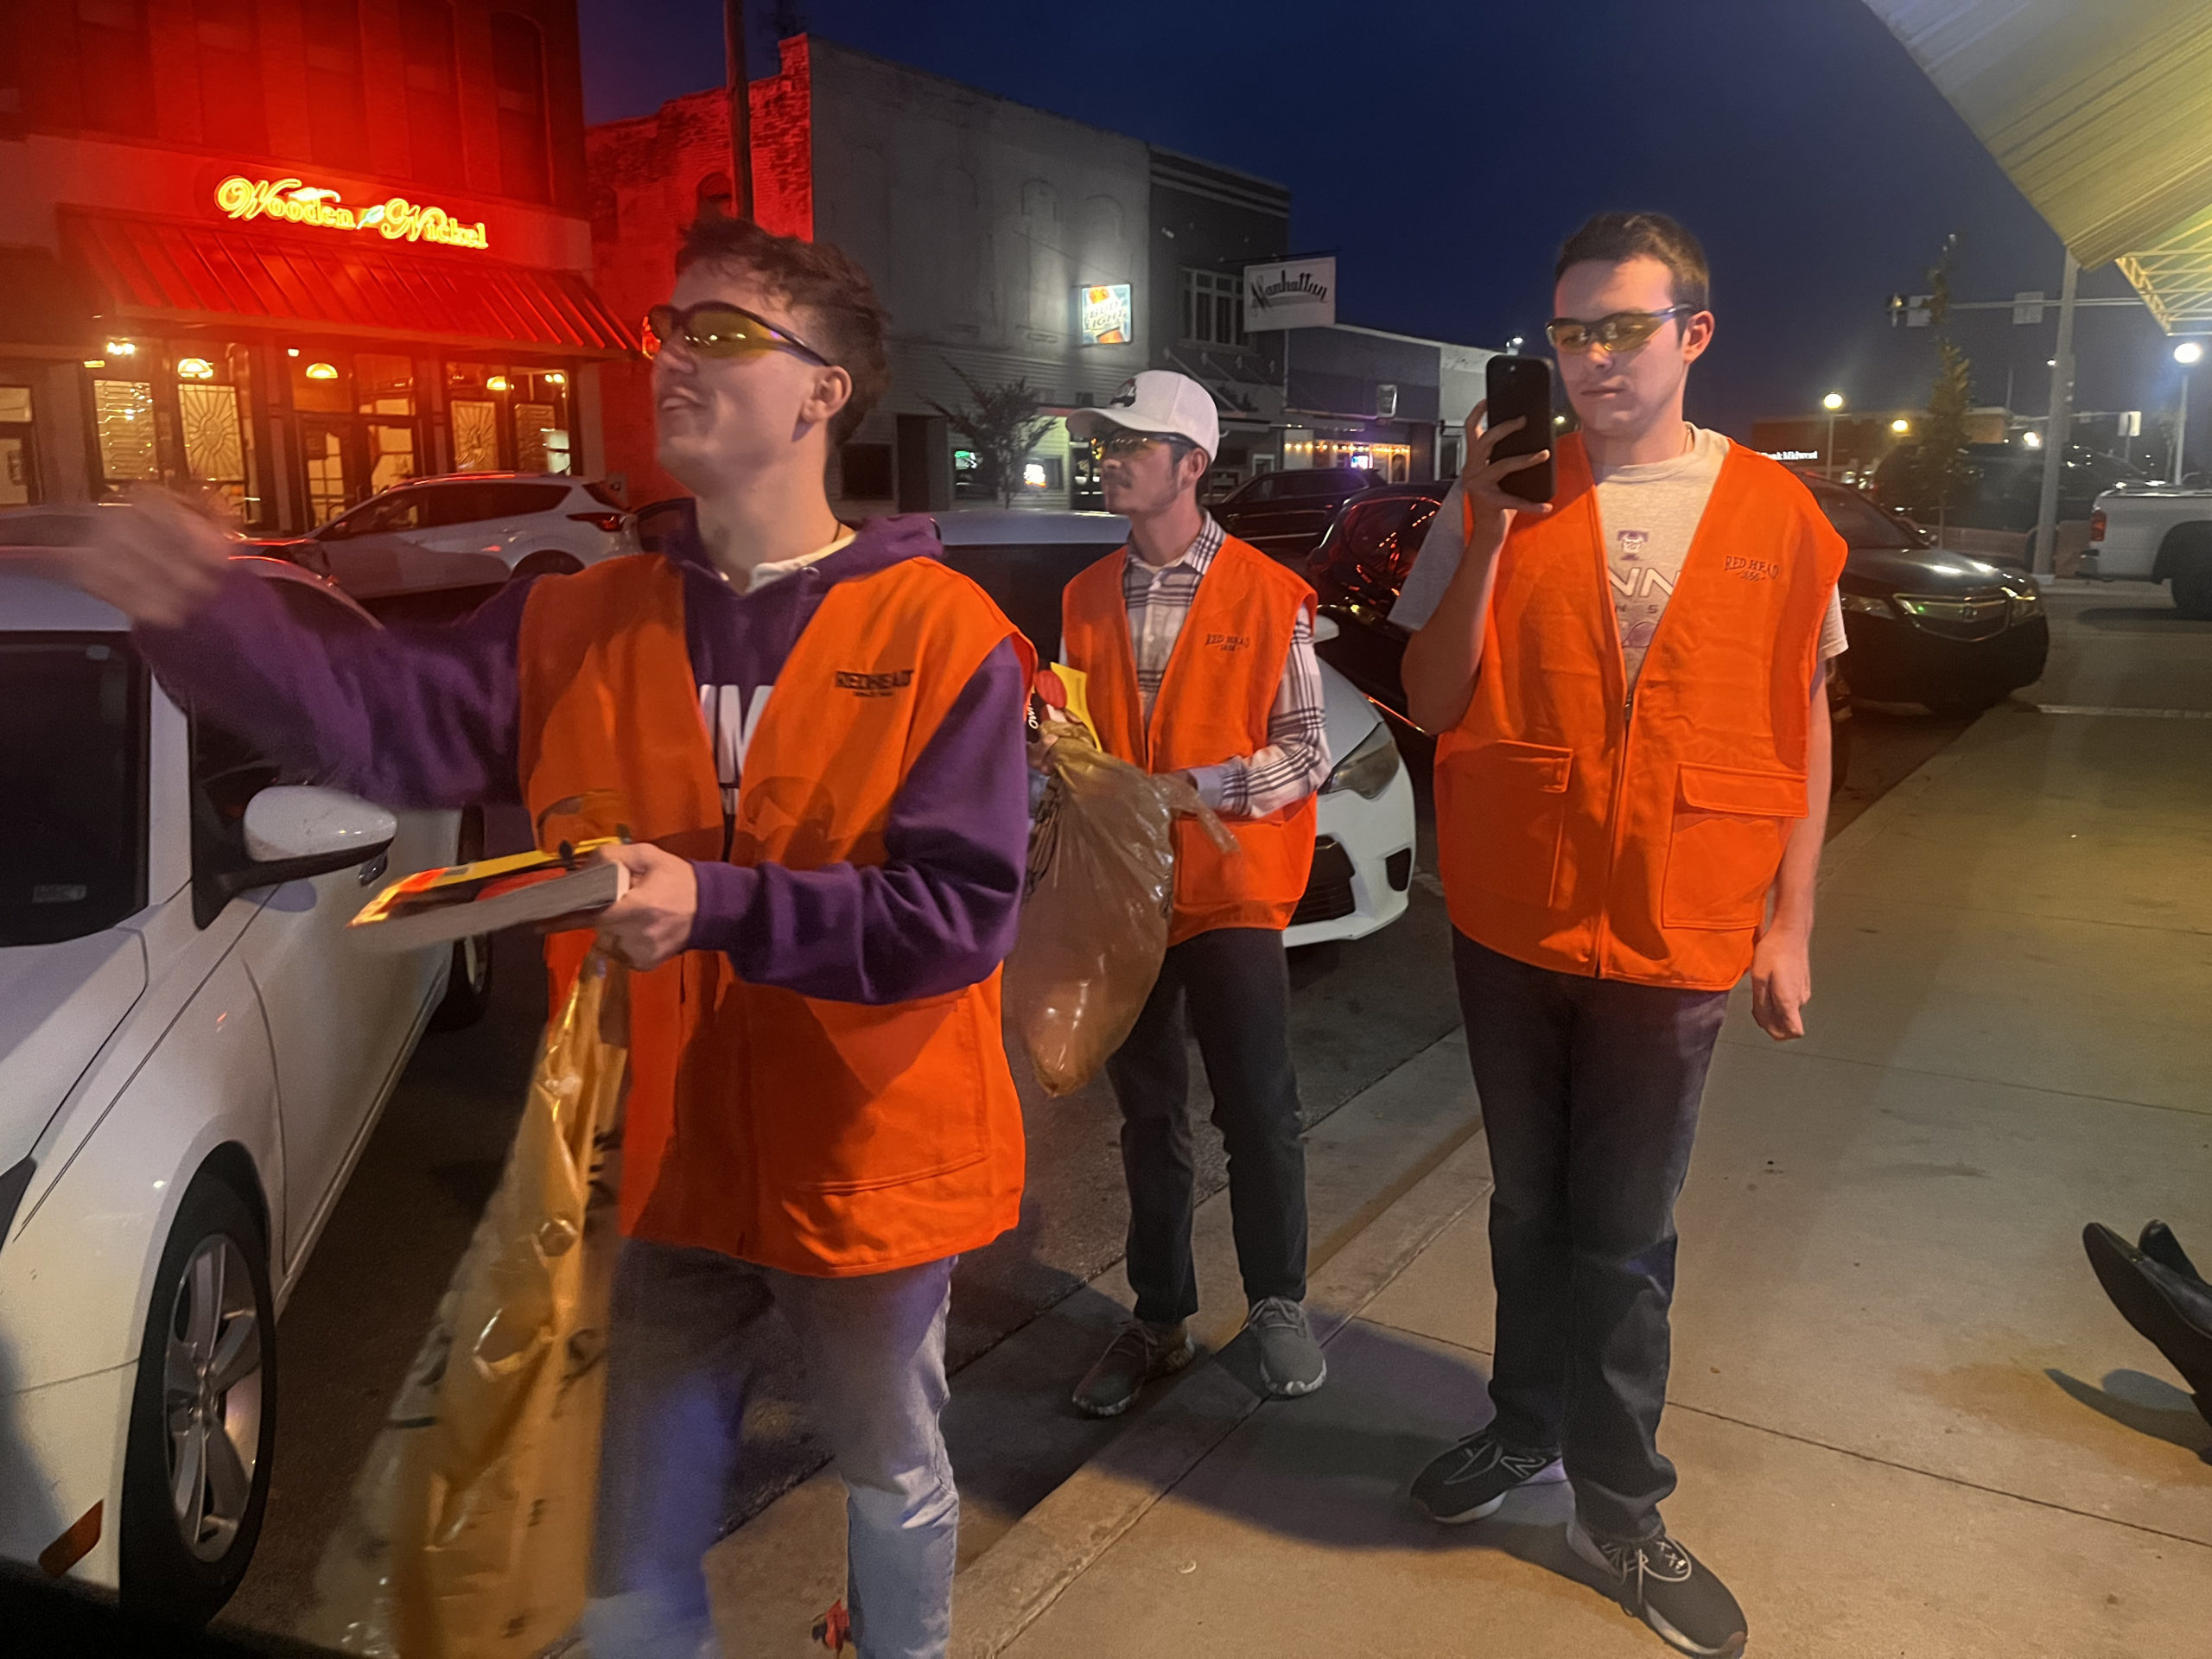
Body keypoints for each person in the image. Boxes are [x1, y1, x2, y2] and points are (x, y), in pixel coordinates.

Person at [65, 218, 1033, 1659]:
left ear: (823, 393)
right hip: (653, 1163)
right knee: (627, 1542)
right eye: (666, 329)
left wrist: (712, 905)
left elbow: (953, 917)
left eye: (721, 333)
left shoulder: (948, 636)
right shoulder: (576, 618)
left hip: (864, 1170)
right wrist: (202, 613)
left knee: (892, 1472)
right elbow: (385, 723)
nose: (672, 358)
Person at [1390, 213, 1849, 1659]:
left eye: (1625, 328)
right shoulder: (1500, 493)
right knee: (1529, 1212)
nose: (1594, 357)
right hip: (1513, 919)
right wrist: (1485, 530)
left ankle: (1621, 1506)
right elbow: (1431, 695)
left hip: (1676, 928)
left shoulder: (1777, 514)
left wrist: (1792, 924)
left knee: (1627, 1236)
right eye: (1571, 332)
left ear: (1693, 335)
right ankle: (1524, 1427)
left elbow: (1802, 725)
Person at [1056, 370, 1332, 1416]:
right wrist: (1055, 764)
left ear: (1191, 465)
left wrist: (1194, 788)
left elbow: (1304, 752)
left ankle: (1276, 1305)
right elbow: (1079, 735)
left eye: (1131, 443)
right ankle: (1159, 1318)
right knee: (1147, 1115)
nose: (1110, 459)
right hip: (1125, 894)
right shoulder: (1084, 595)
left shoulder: (1268, 593)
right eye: (1105, 442)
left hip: (1232, 891)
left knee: (1258, 1110)